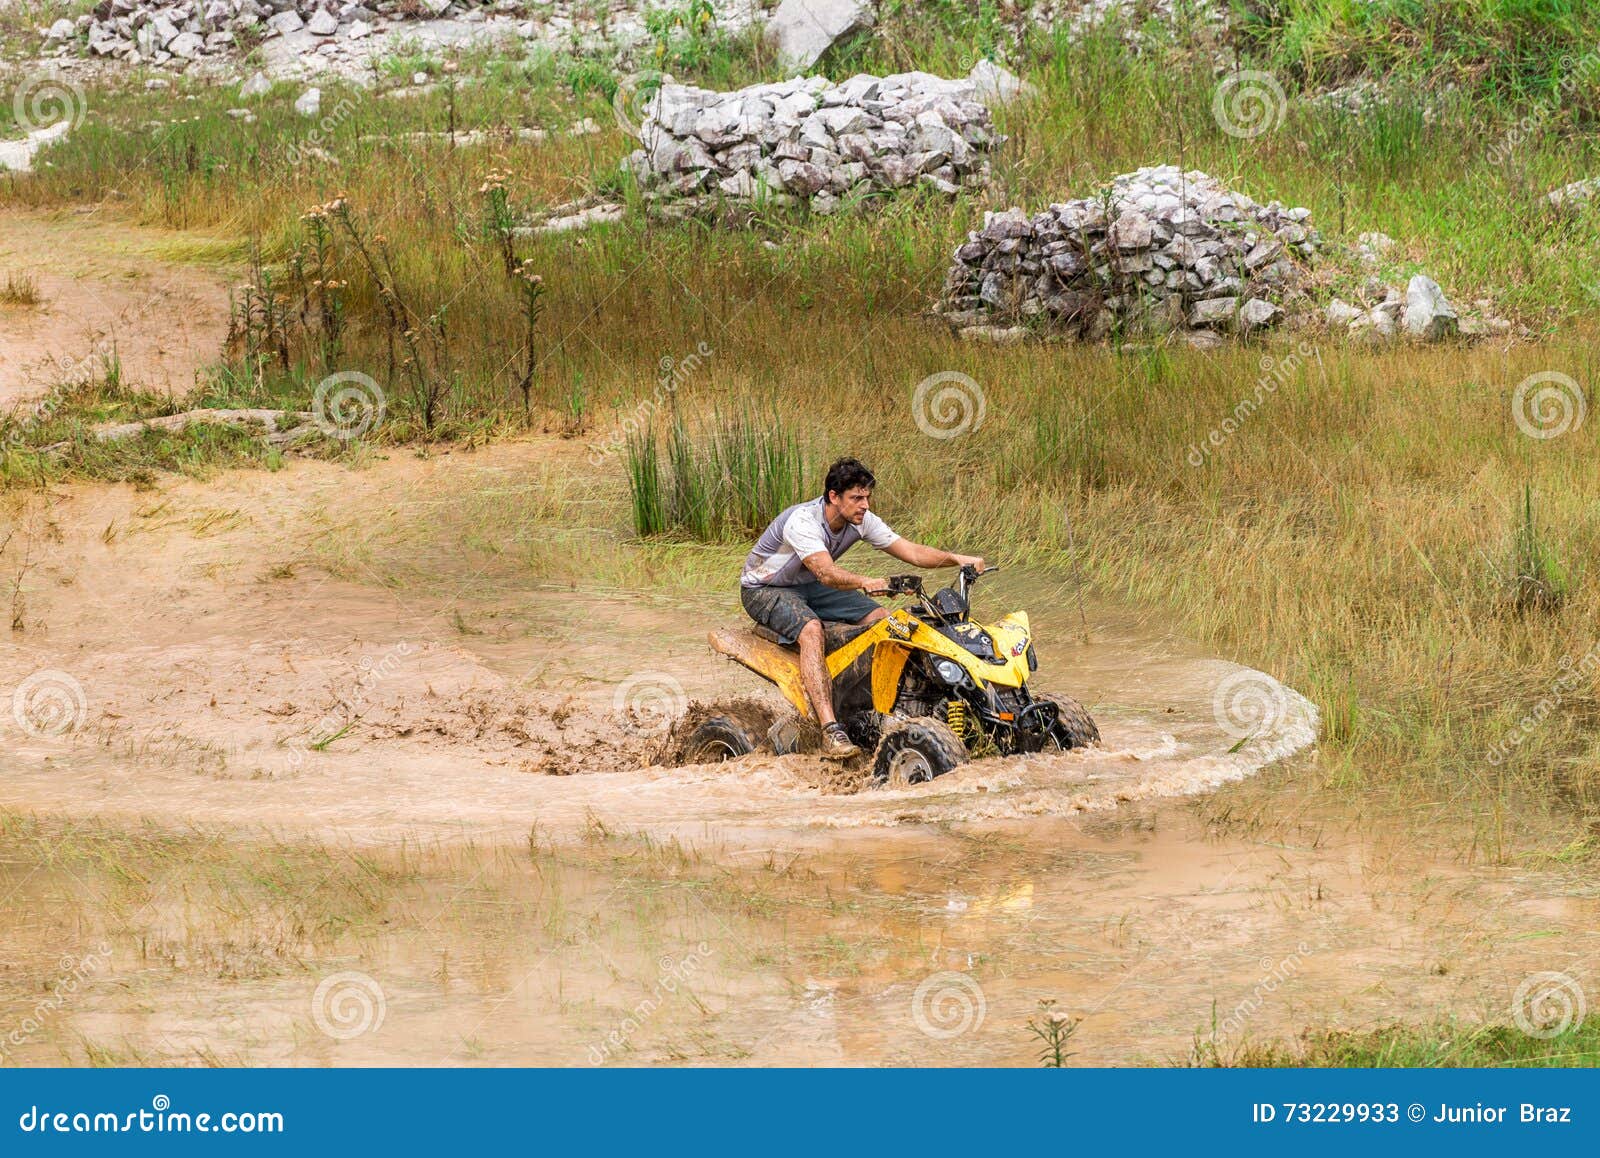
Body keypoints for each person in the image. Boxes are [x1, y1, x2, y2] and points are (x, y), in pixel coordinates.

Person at [740, 457, 985, 758]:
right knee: (811, 630)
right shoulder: (802, 521)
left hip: (809, 586)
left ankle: (875, 706)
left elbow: (912, 551)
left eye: (867, 497)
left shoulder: (862, 521)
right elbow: (826, 573)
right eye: (856, 497)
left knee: (883, 619)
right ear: (833, 496)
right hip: (765, 588)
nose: (865, 505)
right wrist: (866, 581)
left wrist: (959, 559)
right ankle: (830, 728)